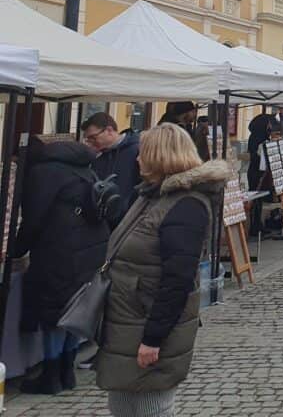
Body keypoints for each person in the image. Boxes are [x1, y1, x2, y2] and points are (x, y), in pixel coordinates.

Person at [95, 124, 232, 417]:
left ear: (159, 156)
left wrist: (153, 338)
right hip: (128, 320)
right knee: (123, 403)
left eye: (142, 153)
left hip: (149, 324)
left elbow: (177, 279)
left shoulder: (186, 204)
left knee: (151, 407)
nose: (136, 159)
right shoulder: (152, 195)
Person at [13, 137, 109, 395]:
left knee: (53, 314)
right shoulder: (79, 165)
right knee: (74, 311)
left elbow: (33, 219)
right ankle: (67, 372)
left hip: (60, 250)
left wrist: (15, 251)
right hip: (89, 248)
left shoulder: (42, 173)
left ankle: (51, 377)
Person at [83, 112, 141, 213]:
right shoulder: (98, 155)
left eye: (93, 137)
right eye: (88, 139)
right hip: (103, 215)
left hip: (127, 216)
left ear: (109, 130)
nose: (90, 142)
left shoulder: (137, 150)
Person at [246, 109, 278, 194]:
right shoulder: (259, 138)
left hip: (258, 172)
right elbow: (258, 156)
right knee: (255, 194)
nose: (270, 126)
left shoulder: (259, 136)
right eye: (269, 123)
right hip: (257, 173)